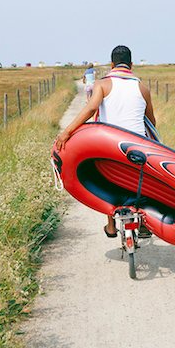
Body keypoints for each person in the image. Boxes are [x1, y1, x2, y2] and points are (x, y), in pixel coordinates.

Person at [56, 45, 156, 237]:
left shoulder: (102, 84)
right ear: (131, 65)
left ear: (111, 64)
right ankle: (143, 223)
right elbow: (151, 122)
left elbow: (91, 109)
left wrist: (67, 132)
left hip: (110, 146)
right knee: (144, 180)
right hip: (137, 147)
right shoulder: (143, 88)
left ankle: (111, 226)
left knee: (104, 179)